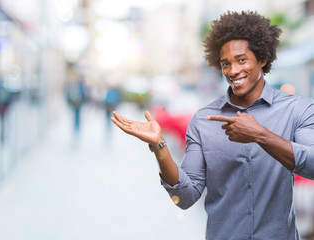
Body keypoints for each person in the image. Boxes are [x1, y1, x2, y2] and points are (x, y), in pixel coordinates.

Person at [111, 11, 314, 240]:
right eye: (225, 63)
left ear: (262, 59)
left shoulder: (298, 110)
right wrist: (159, 146)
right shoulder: (203, 121)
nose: (233, 71)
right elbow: (185, 197)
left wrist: (260, 135)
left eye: (241, 60)